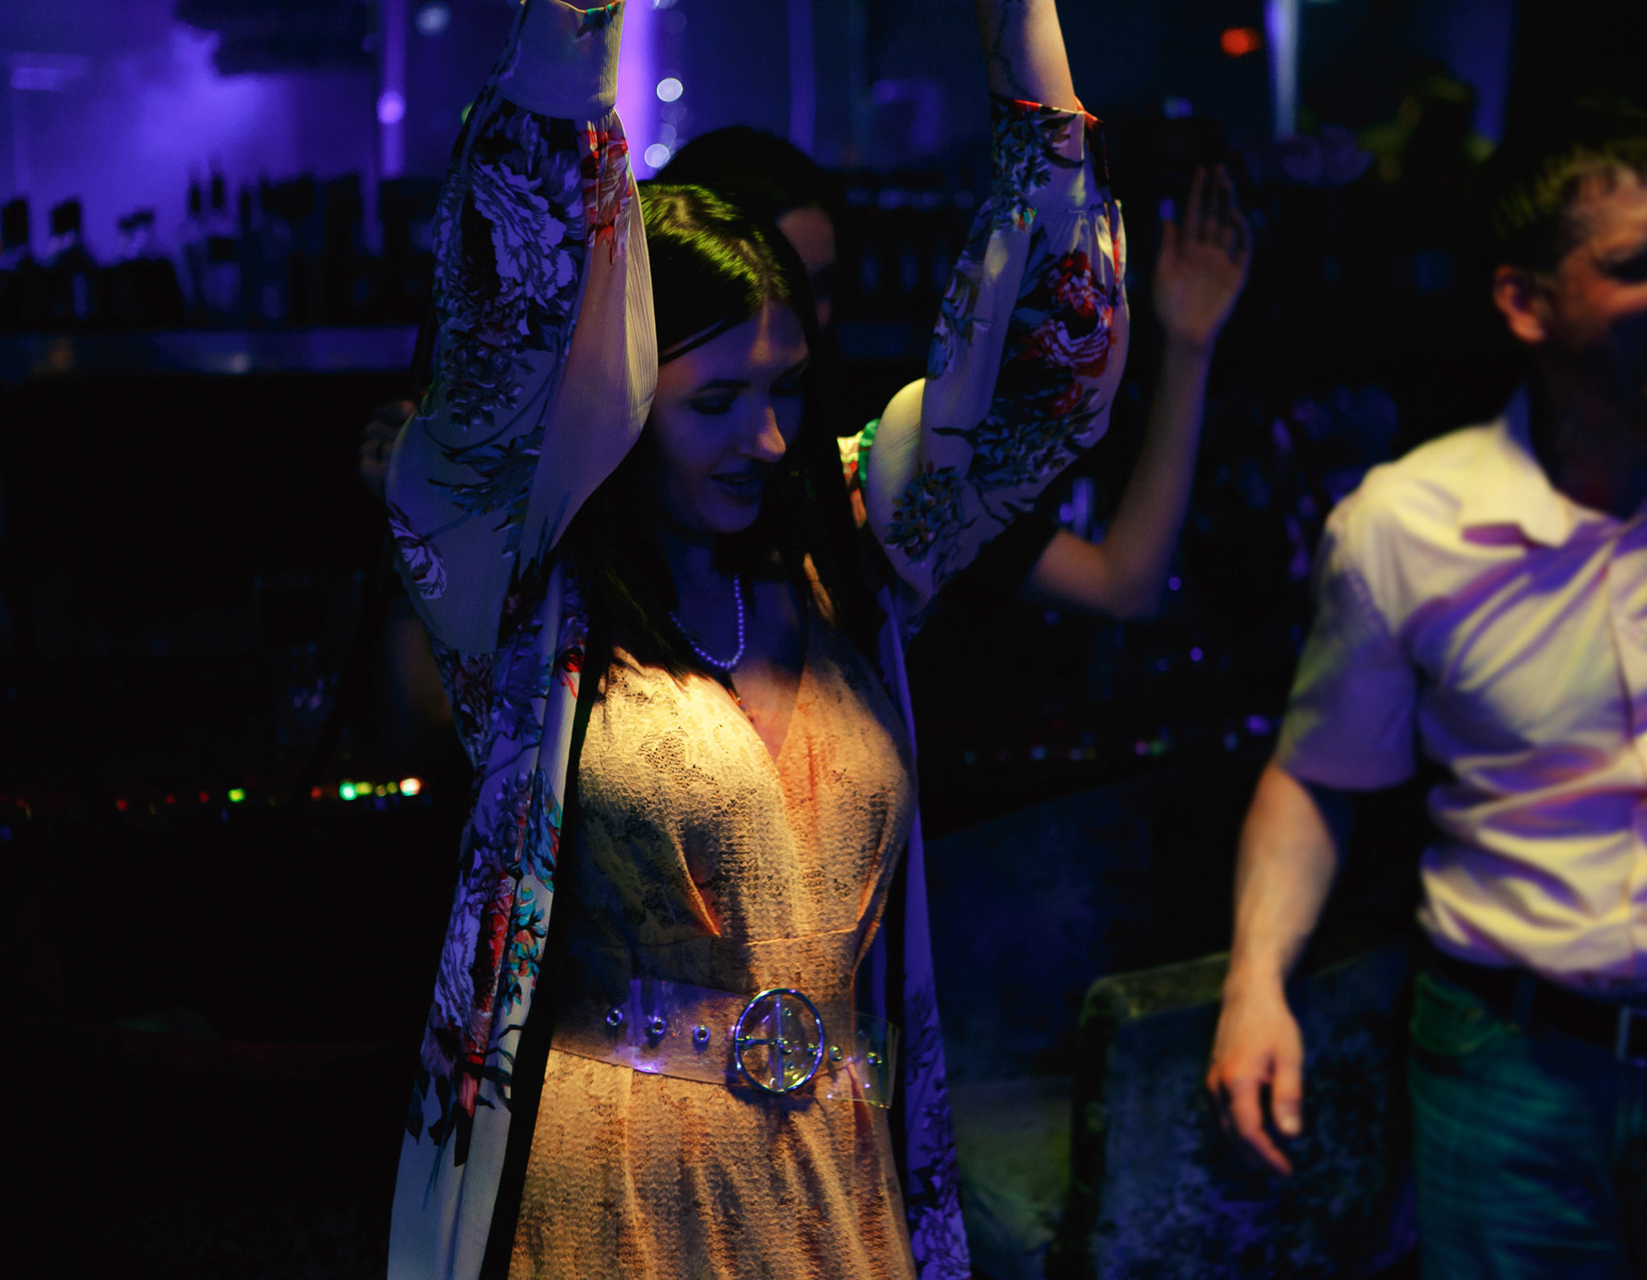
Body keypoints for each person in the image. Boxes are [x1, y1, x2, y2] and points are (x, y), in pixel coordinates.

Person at [383, 1, 1125, 1276]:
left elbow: (1052, 376)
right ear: (623, 401)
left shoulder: (847, 540)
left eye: (784, 388)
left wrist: (1023, 35)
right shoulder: (530, 585)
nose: (768, 437)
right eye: (716, 399)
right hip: (619, 1195)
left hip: (838, 1186)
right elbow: (506, 283)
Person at [1205, 100, 1647, 1278]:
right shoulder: (1407, 525)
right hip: (1503, 1059)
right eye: (1645, 259)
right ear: (1525, 301)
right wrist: (1256, 983)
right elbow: (1319, 774)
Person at [658, 128, 1252, 621]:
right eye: (775, 286)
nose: (805, 319)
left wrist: (1187, 346)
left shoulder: (874, 463)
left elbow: (1120, 581)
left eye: (822, 286)